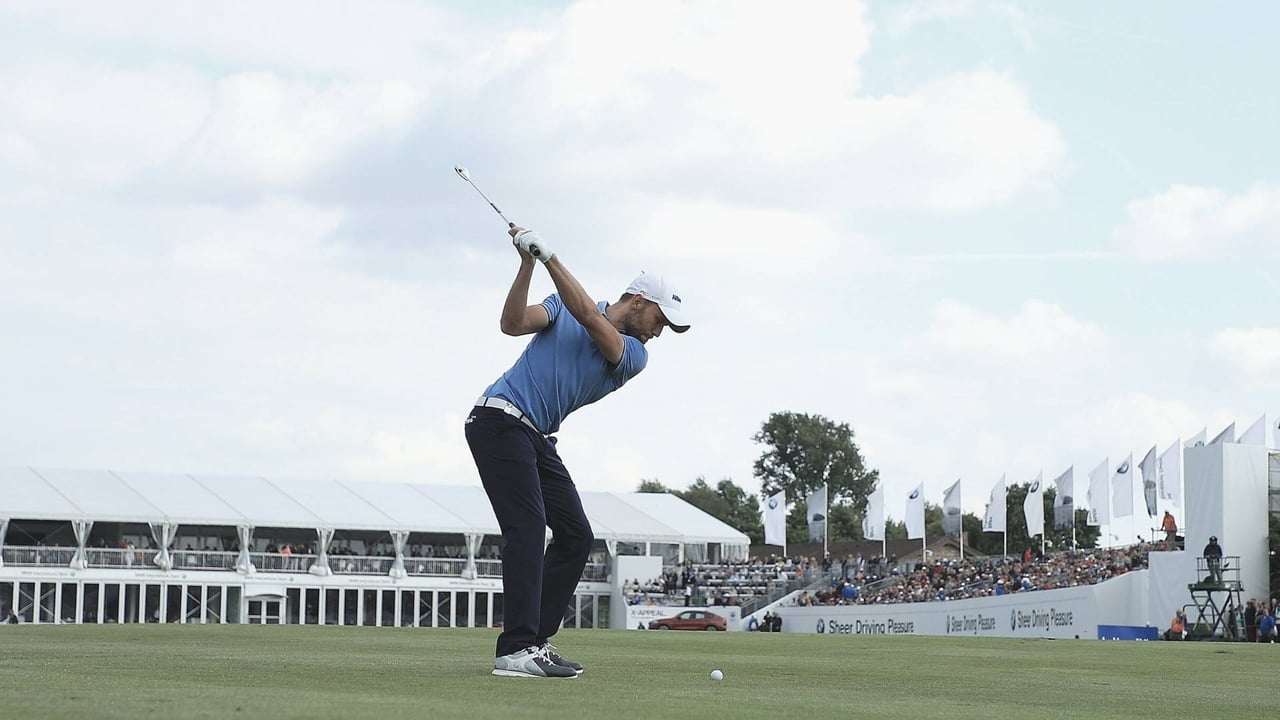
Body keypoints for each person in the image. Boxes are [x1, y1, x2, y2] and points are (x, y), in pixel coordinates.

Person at [466, 225, 690, 679]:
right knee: (527, 529)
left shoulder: (633, 353)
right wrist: (527, 265)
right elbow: (512, 324)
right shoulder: (561, 308)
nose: (660, 332)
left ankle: (533, 642)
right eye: (660, 320)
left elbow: (590, 317)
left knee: (575, 534)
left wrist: (550, 256)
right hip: (498, 420)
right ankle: (515, 650)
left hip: (535, 436)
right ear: (639, 301)